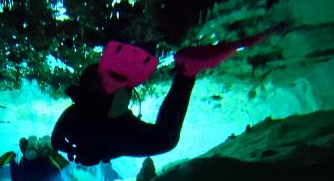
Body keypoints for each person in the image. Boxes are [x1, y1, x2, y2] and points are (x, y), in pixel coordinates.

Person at [51, 29, 277, 166]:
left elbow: (58, 138)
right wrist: (73, 149)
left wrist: (74, 151)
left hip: (104, 127)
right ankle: (181, 71)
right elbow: (58, 136)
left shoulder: (82, 128)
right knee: (158, 136)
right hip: (106, 121)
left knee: (164, 140)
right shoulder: (77, 118)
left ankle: (186, 71)